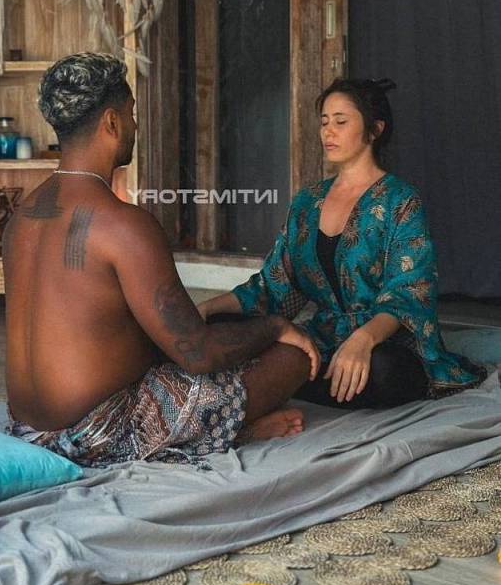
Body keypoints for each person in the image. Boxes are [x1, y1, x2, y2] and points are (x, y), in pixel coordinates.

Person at [3, 52, 321, 468]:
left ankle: (226, 429)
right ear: (112, 122)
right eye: (132, 114)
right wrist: (277, 326)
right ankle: (231, 430)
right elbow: (198, 354)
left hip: (27, 427)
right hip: (98, 436)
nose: (135, 126)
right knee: (292, 355)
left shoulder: (23, 217)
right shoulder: (123, 224)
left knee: (209, 333)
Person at [198, 78, 486, 408]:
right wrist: (205, 310)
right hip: (323, 338)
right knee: (221, 328)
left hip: (385, 342)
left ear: (375, 130)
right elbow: (271, 287)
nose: (328, 132)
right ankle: (296, 376)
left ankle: (284, 380)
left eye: (341, 121)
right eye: (324, 122)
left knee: (385, 371)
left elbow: (410, 293)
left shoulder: (400, 200)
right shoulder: (307, 201)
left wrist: (363, 339)